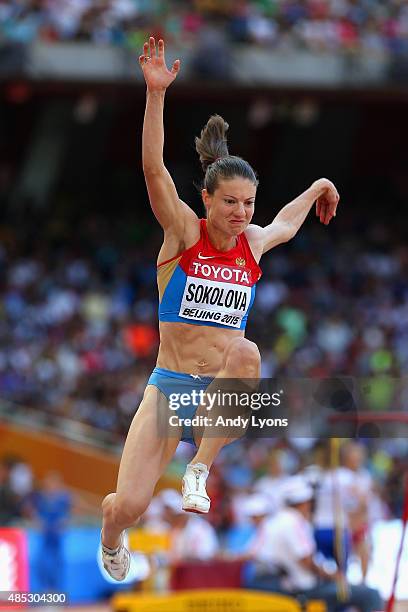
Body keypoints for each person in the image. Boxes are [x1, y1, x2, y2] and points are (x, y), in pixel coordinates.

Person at [100, 35, 340, 581]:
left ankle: (198, 471)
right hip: (168, 387)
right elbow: (153, 169)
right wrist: (156, 95)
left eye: (247, 203)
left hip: (217, 398)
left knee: (248, 351)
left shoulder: (252, 243)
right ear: (208, 199)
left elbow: (283, 224)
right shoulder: (184, 233)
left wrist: (319, 185)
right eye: (230, 202)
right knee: (128, 505)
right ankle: (112, 534)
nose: (240, 212)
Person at [243, 476, 383, 612]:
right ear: (305, 502)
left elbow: (251, 553)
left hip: (277, 584)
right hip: (299, 589)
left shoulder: (273, 521)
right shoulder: (293, 521)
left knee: (339, 593)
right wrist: (335, 576)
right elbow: (306, 560)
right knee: (369, 595)